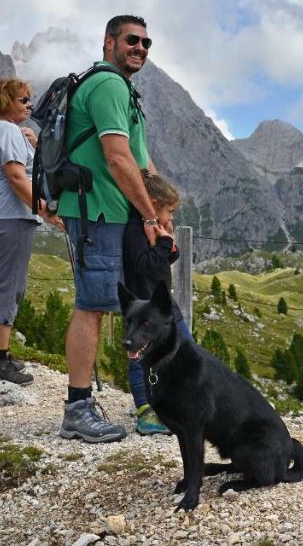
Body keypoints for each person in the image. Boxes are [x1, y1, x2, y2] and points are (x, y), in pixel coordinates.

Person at [58, 14, 160, 443]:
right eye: (132, 40)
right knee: (93, 305)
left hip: (116, 214)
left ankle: (151, 405)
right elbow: (117, 158)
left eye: (146, 43)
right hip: (96, 211)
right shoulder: (107, 84)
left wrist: (158, 207)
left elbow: (141, 161)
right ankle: (77, 408)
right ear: (109, 42)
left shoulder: (124, 89)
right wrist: (151, 216)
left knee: (136, 306)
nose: (140, 48)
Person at [0, 78, 47, 386]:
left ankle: (1, 356)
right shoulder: (7, 131)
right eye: (23, 100)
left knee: (11, 283)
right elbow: (17, 177)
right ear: (6, 102)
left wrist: (34, 146)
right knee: (10, 285)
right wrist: (46, 210)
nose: (29, 104)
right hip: (10, 218)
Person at [122, 172, 193, 435]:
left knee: (185, 349)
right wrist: (162, 244)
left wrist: (168, 243)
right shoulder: (134, 230)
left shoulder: (151, 228)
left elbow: (163, 261)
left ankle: (177, 403)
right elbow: (145, 264)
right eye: (170, 211)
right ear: (152, 204)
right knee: (139, 356)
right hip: (144, 309)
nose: (171, 218)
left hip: (164, 306)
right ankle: (145, 412)